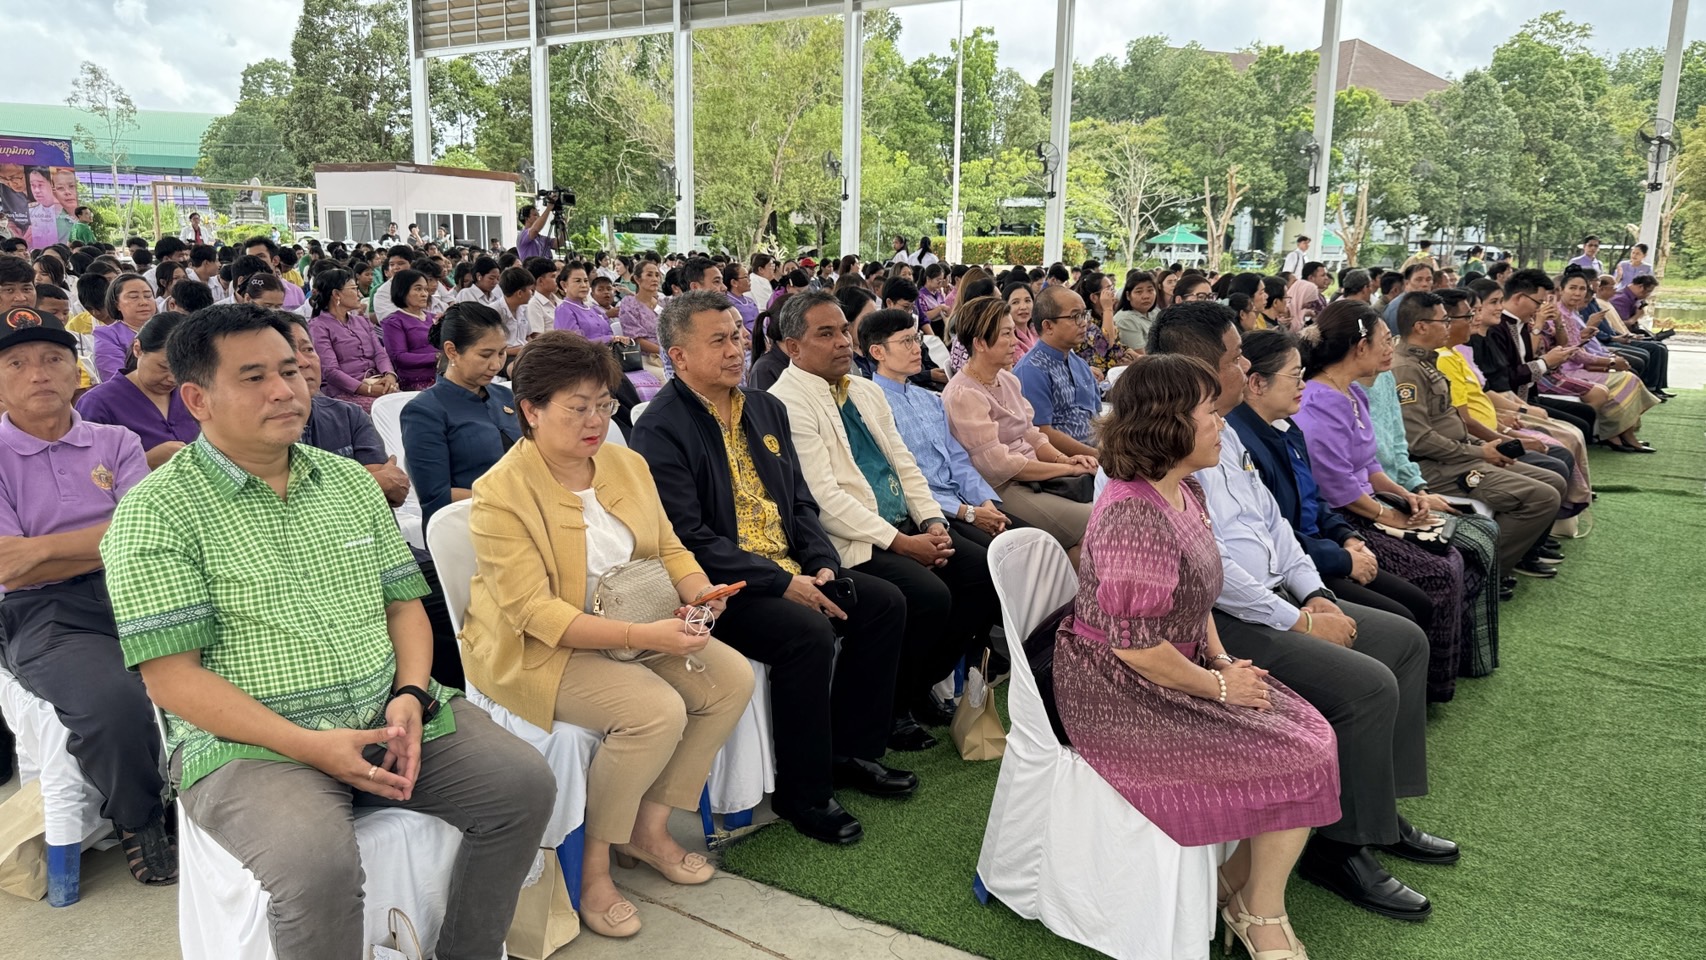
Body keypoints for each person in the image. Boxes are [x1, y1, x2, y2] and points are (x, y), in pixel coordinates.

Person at [100, 304, 553, 958]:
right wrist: (312, 746)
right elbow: (172, 680)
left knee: (523, 786)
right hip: (252, 742)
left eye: (289, 370)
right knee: (316, 865)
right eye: (254, 377)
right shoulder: (156, 511)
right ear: (197, 399)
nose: (285, 390)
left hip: (384, 708)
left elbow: (403, 606)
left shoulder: (346, 482)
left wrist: (410, 694)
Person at [1147, 299, 1453, 921]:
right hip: (1218, 624)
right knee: (1367, 685)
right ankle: (1340, 850)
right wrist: (1299, 620)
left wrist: (1314, 591)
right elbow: (1211, 570)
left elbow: (1274, 525)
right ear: (1202, 367)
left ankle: (1377, 808)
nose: (1245, 367)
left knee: (1403, 640)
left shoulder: (1226, 430)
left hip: (1277, 597)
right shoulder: (1162, 444)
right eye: (1236, 357)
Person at [460, 332, 753, 937]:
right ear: (530, 410)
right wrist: (645, 633)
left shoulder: (625, 463)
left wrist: (700, 592)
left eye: (604, 404)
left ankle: (647, 828)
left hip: (637, 619)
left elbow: (668, 546)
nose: (596, 421)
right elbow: (535, 614)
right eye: (577, 407)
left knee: (731, 679)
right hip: (538, 649)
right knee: (654, 711)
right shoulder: (500, 494)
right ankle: (595, 868)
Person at [1057, 353, 1339, 960]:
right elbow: (1133, 645)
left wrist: (1221, 659)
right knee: (1301, 752)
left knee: (1312, 736)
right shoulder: (1133, 512)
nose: (1221, 422)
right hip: (1118, 690)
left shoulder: (1184, 489)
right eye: (1210, 411)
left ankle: (1238, 887)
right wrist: (1219, 687)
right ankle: (1259, 912)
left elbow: (1199, 594)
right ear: (1168, 423)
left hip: (1173, 664)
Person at [630, 290, 912, 847]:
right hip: (723, 587)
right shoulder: (660, 427)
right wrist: (783, 583)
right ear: (678, 356)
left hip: (791, 567)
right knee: (805, 634)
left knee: (883, 604)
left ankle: (851, 752)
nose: (735, 350)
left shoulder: (764, 407)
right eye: (718, 340)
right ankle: (804, 794)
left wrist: (821, 563)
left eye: (737, 336)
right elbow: (687, 536)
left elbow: (799, 502)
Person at [770, 291, 1000, 743]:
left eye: (843, 330)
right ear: (793, 347)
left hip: (906, 524)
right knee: (929, 595)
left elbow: (905, 466)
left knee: (982, 574)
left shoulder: (865, 390)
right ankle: (893, 707)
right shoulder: (786, 401)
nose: (842, 341)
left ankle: (913, 687)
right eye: (826, 334)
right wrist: (903, 543)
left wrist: (933, 523)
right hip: (853, 538)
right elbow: (825, 499)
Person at [0, 304, 176, 885]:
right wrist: (105, 539)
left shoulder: (115, 440)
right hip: (44, 611)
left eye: (53, 359)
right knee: (114, 702)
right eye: (17, 363)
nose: (38, 374)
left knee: (232, 652)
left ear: (75, 369)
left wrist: (40, 548)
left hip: (135, 585)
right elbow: (9, 568)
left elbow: (142, 535)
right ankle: (140, 819)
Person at [1289, 299, 1480, 701]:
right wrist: (1389, 516)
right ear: (1360, 347)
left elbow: (1371, 463)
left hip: (1369, 502)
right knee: (1439, 570)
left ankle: (1444, 670)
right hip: (1344, 516)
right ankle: (1425, 684)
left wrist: (1406, 496)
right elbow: (1337, 485)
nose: (1391, 347)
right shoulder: (1318, 402)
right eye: (1384, 339)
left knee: (1456, 553)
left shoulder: (1353, 393)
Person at [1229, 328, 1436, 629]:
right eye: (1294, 376)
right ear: (1258, 383)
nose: (1303, 384)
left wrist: (1347, 537)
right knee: (1407, 617)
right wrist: (1342, 559)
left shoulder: (1286, 427)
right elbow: (1273, 533)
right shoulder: (1242, 445)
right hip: (1300, 565)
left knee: (1417, 601)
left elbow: (1315, 497)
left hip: (1323, 550)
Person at [1388, 293, 1566, 580]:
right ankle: (1483, 577)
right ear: (1421, 326)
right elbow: (1419, 440)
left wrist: (1487, 446)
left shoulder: (1427, 361)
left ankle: (1508, 558)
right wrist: (1481, 452)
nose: (1448, 326)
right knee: (1543, 497)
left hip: (1458, 455)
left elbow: (1451, 423)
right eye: (1443, 320)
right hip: (1435, 467)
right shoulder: (1406, 370)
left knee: (1554, 479)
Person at [944, 296, 1096, 563]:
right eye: (1006, 334)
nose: (1015, 341)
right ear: (980, 343)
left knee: (1108, 504)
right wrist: (1066, 469)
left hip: (1037, 474)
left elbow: (1032, 434)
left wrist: (1063, 459)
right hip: (1004, 488)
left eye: (1013, 331)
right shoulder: (963, 394)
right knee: (1095, 521)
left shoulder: (1006, 379)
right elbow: (998, 466)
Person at [861, 308, 1011, 548]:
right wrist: (966, 512)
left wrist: (984, 501)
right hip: (929, 514)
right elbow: (899, 479)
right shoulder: (872, 405)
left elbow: (957, 459)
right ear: (878, 352)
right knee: (993, 557)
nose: (917, 348)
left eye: (916, 338)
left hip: (962, 500)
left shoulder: (929, 399)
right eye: (906, 341)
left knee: (1028, 540)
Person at [400, 302, 519, 526]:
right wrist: (512, 503)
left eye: (502, 353)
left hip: (525, 515)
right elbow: (436, 495)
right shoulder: (424, 411)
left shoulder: (505, 396)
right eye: (485, 355)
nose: (496, 365)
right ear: (452, 351)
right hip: (467, 524)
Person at [1538, 268, 1659, 451]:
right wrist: (1610, 362)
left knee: (1629, 377)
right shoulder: (1558, 314)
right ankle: (1618, 434)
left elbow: (1576, 345)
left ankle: (1622, 433)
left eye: (1582, 289)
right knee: (1628, 379)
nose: (1577, 293)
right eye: (1572, 288)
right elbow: (1573, 352)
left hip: (1577, 365)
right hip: (1567, 369)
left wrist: (1590, 341)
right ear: (1561, 290)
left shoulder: (1570, 313)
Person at [1472, 269, 1597, 440]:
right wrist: (1545, 362)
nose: (1540, 308)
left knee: (1586, 414)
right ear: (1519, 298)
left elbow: (1528, 361)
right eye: (1538, 302)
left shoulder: (1521, 322)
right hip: (1511, 401)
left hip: (1524, 396)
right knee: (1577, 429)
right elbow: (1505, 379)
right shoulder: (1494, 329)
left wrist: (1549, 358)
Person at [75, 311, 198, 469]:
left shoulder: (191, 394)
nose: (173, 378)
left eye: (183, 370)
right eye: (163, 367)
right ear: (138, 349)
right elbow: (84, 469)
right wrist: (144, 461)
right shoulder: (98, 403)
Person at [1014, 284, 1102, 458]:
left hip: (1098, 452)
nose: (1084, 323)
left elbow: (1096, 415)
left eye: (1084, 314)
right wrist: (1098, 456)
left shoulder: (1079, 363)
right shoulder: (1031, 370)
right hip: (1068, 463)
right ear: (1048, 326)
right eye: (1075, 316)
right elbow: (1041, 433)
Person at [308, 267, 396, 412]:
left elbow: (380, 353)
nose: (359, 294)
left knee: (409, 406)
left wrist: (389, 376)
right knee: (387, 411)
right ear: (336, 294)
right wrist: (367, 389)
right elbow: (330, 371)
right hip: (344, 392)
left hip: (376, 382)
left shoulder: (362, 321)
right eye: (354, 289)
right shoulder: (318, 326)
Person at [380, 268, 438, 391]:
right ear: (403, 291)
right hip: (417, 380)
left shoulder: (435, 318)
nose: (424, 294)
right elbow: (399, 357)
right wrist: (436, 357)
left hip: (443, 374)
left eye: (426, 289)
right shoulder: (394, 321)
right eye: (418, 289)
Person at [92, 273, 156, 382]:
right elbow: (115, 379)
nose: (143, 302)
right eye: (134, 297)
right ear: (116, 304)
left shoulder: (170, 328)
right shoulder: (108, 336)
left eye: (148, 296)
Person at [1113, 271, 1159, 352]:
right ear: (1128, 295)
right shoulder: (1126, 320)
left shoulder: (1155, 312)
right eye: (1139, 292)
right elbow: (1141, 355)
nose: (1146, 296)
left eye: (1150, 290)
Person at [1285, 262, 1330, 330]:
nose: (1326, 278)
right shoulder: (1299, 297)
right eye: (1323, 275)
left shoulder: (1320, 297)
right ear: (1311, 278)